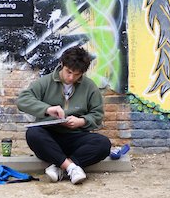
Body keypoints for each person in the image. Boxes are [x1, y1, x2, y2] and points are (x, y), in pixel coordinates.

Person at [17, 45, 111, 185]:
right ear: (62, 64)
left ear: (83, 72)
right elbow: (22, 101)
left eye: (77, 74)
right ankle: (72, 168)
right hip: (50, 138)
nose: (71, 77)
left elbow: (97, 115)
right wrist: (47, 109)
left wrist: (82, 121)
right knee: (33, 134)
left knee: (103, 144)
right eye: (69, 72)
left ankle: (61, 167)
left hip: (76, 137)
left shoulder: (89, 87)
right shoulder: (45, 82)